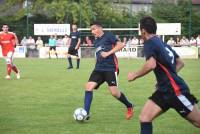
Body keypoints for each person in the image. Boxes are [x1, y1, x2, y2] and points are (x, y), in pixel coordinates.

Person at [127, 16, 200, 134]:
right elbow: (180, 63)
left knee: (198, 122)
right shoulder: (161, 42)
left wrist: (134, 75)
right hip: (164, 90)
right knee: (144, 118)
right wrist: (165, 79)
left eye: (140, 31)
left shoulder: (149, 43)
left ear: (143, 31)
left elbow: (151, 65)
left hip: (176, 91)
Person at [83, 21, 134, 120]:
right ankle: (86, 113)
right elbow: (97, 55)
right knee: (88, 87)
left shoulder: (109, 35)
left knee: (114, 93)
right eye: (91, 30)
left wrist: (108, 53)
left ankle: (129, 105)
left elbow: (120, 45)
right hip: (98, 69)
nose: (92, 32)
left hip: (110, 68)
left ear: (100, 28)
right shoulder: (96, 41)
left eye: (94, 29)